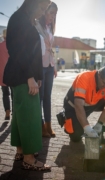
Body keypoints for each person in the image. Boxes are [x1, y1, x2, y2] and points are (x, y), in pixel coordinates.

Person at [3, 0, 51, 171]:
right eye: (42, 7)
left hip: (24, 75)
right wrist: (30, 76)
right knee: (30, 115)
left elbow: (32, 51)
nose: (43, 12)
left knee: (20, 115)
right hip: (23, 75)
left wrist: (36, 75)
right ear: (32, 4)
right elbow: (17, 49)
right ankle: (29, 159)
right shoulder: (20, 19)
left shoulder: (25, 19)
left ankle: (21, 151)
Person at [58, 66, 105, 142]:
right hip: (73, 107)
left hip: (90, 105)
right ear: (99, 74)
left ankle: (100, 130)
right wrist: (87, 128)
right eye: (104, 83)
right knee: (76, 137)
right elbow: (78, 104)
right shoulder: (84, 77)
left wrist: (99, 124)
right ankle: (66, 117)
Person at [35, 2, 58, 138]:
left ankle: (49, 125)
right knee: (40, 98)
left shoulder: (50, 28)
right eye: (51, 13)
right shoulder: (36, 25)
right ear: (44, 12)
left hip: (49, 66)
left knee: (48, 97)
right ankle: (41, 125)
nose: (53, 16)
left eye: (55, 14)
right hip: (40, 66)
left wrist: (54, 65)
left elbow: (50, 49)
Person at [0, 29, 13, 120]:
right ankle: (15, 112)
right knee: (14, 93)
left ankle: (7, 112)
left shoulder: (0, 46)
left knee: (5, 94)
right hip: (12, 73)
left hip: (2, 73)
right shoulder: (13, 46)